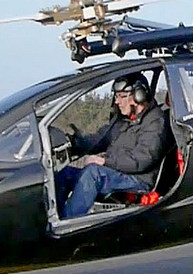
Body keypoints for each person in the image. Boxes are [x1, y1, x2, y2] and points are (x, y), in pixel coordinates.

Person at [54, 72, 170, 219]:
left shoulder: (155, 122)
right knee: (63, 174)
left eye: (122, 96)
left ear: (139, 95)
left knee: (93, 173)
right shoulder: (123, 121)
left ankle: (68, 223)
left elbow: (143, 159)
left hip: (138, 179)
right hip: (115, 172)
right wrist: (73, 143)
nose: (117, 101)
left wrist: (105, 161)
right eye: (116, 96)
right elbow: (98, 139)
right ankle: (53, 219)